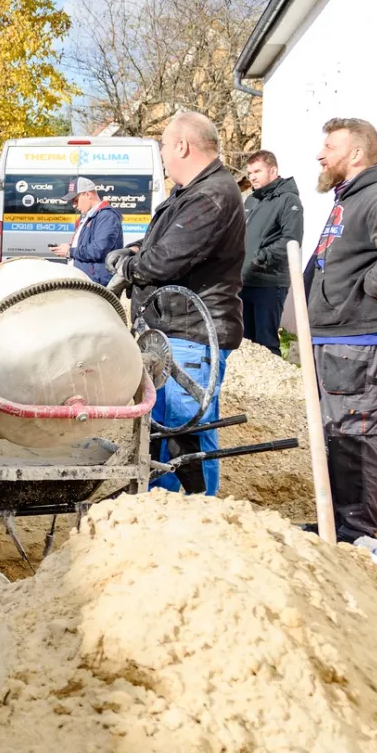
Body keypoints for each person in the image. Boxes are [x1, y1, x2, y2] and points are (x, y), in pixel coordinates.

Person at [114, 111, 246, 495]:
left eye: (164, 146)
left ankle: (195, 516)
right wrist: (135, 251)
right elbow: (160, 248)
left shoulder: (212, 196)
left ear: (183, 146)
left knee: (185, 434)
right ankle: (166, 511)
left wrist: (129, 265)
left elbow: (165, 261)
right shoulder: (191, 194)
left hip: (191, 334)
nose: (162, 154)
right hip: (172, 331)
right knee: (165, 430)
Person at [304, 116, 377, 544]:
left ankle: (355, 534)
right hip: (335, 340)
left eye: (330, 147)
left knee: (355, 439)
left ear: (356, 153)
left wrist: (370, 287)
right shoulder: (347, 199)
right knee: (335, 437)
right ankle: (334, 526)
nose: (321, 154)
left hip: (358, 345)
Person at [240, 150, 302, 355]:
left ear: (273, 170)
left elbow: (291, 240)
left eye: (257, 171)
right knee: (245, 340)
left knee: (266, 341)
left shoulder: (288, 200)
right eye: (250, 173)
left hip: (269, 282)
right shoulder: (252, 200)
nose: (253, 177)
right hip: (244, 280)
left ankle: (275, 386)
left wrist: (260, 258)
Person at [49, 176, 122, 284]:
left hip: (97, 282)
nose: (74, 205)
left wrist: (70, 251)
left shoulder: (106, 216)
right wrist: (68, 249)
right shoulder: (87, 217)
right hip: (86, 279)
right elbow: (86, 246)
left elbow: (99, 250)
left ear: (88, 194)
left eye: (76, 200)